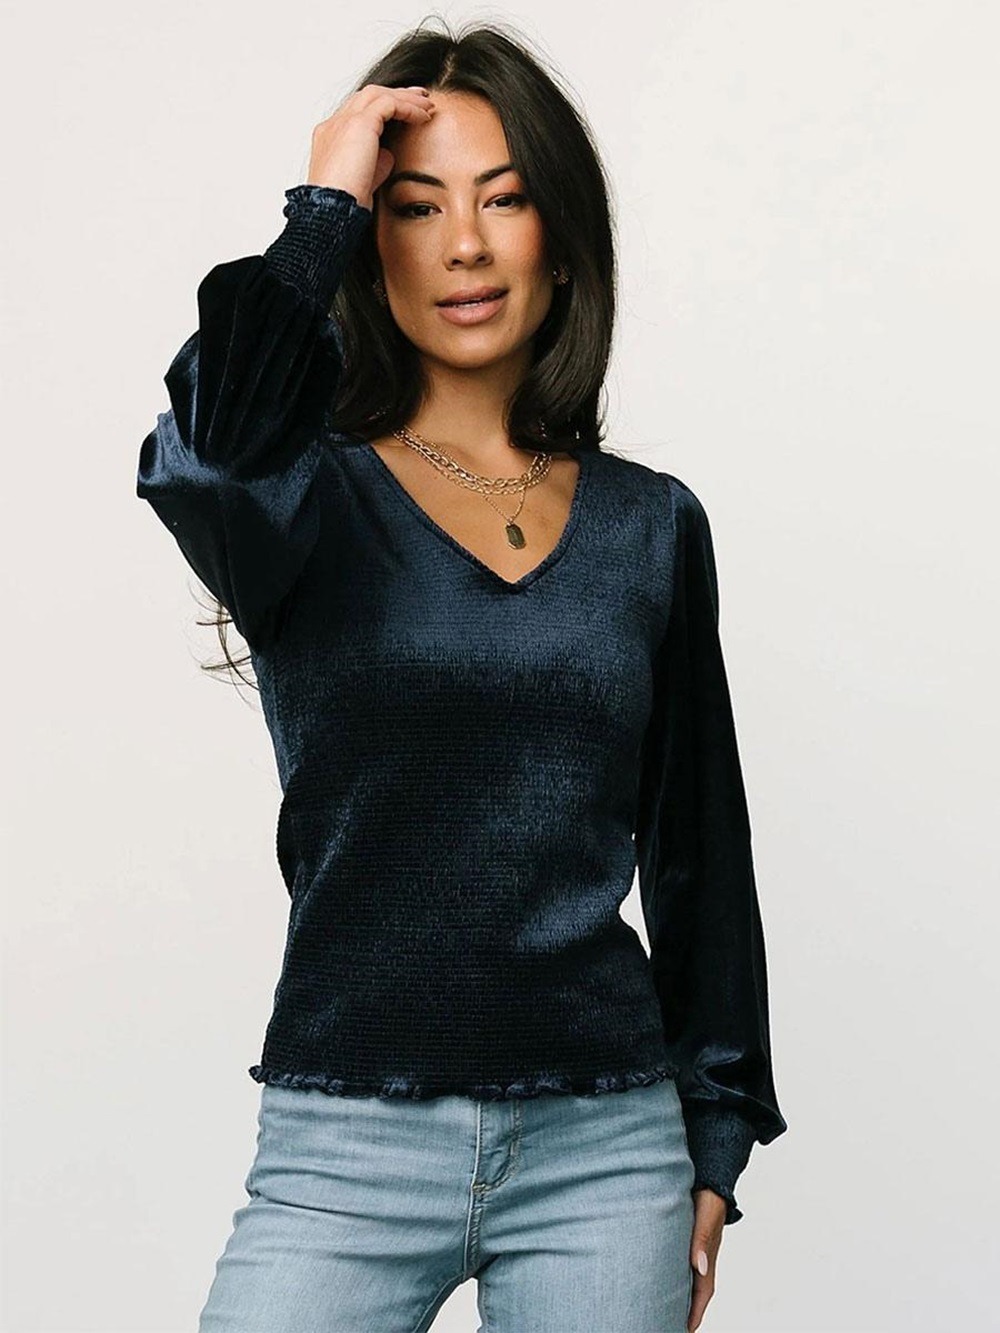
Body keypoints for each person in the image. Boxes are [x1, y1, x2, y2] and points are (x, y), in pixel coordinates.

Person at [136, 21, 787, 1333]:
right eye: (417, 207)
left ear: (562, 235)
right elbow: (202, 455)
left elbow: (698, 847)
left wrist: (716, 1136)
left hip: (607, 1153)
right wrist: (319, 210)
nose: (467, 246)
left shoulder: (650, 526)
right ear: (373, 243)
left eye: (505, 199)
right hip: (345, 1145)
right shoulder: (300, 500)